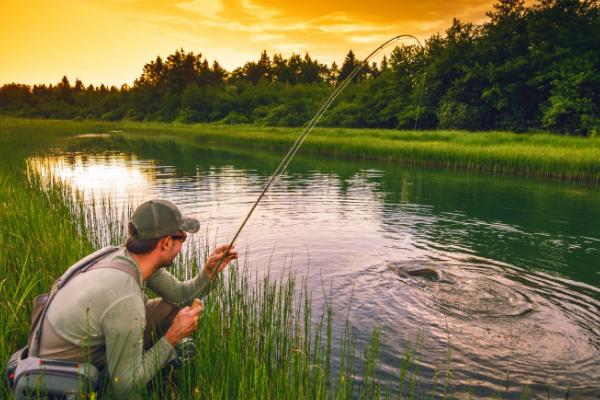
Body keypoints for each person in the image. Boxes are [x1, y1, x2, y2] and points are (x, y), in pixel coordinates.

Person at [33, 199, 238, 398]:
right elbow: (123, 387)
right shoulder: (125, 298)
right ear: (166, 243)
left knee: (170, 308)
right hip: (63, 373)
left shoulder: (126, 257)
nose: (182, 246)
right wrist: (173, 336)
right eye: (181, 238)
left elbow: (180, 296)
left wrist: (209, 273)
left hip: (70, 343)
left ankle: (147, 362)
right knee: (130, 381)